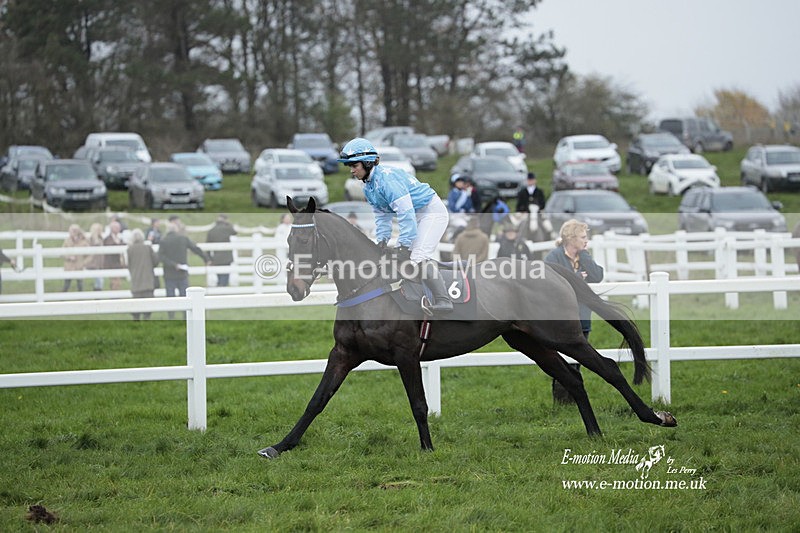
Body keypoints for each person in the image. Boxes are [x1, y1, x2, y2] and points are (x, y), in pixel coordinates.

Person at [338, 137, 452, 314]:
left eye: (355, 165)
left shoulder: (387, 181)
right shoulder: (369, 186)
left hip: (431, 213)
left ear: (367, 163)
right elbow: (382, 216)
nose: (352, 170)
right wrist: (381, 241)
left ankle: (444, 300)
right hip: (415, 214)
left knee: (418, 257)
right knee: (404, 257)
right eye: (350, 167)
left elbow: (406, 215)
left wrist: (404, 245)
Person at [544, 219, 604, 404]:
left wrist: (584, 255)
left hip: (583, 317)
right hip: (561, 318)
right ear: (571, 238)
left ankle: (575, 399)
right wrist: (577, 278)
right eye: (583, 237)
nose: (587, 240)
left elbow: (597, 276)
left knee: (579, 358)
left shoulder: (584, 256)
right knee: (561, 360)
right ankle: (562, 401)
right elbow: (548, 281)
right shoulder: (554, 257)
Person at [158, 221, 210, 319]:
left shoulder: (164, 241)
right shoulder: (183, 239)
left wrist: (173, 264)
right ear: (176, 230)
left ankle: (171, 317)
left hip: (169, 274)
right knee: (185, 295)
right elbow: (195, 248)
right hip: (182, 273)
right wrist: (206, 258)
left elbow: (161, 257)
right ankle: (185, 317)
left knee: (170, 297)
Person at [127, 228, 159, 320]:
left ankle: (136, 319)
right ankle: (146, 318)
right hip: (147, 279)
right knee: (148, 301)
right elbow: (155, 261)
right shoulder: (147, 248)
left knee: (136, 301)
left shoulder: (130, 250)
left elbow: (128, 264)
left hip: (136, 279)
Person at [206, 214, 237, 287]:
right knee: (225, 278)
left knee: (220, 277)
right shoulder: (227, 228)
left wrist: (209, 258)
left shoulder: (211, 230)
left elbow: (207, 246)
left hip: (216, 258)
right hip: (226, 258)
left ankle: (219, 288)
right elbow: (234, 232)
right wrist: (228, 224)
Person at [62, 224, 89, 291]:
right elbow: (62, 253)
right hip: (69, 266)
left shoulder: (83, 241)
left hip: (79, 266)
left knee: (80, 284)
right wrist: (69, 257)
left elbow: (89, 254)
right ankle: (62, 298)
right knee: (67, 284)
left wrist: (84, 263)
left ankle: (81, 298)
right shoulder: (67, 241)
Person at [103, 220, 126, 290]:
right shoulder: (107, 239)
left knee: (119, 282)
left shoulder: (120, 239)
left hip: (119, 264)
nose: (118, 229)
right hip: (111, 264)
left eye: (118, 228)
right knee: (114, 282)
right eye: (116, 228)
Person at [86, 223, 105, 290]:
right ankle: (97, 295)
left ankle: (98, 294)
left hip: (100, 262)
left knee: (100, 280)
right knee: (99, 280)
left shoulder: (101, 238)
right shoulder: (91, 239)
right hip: (94, 262)